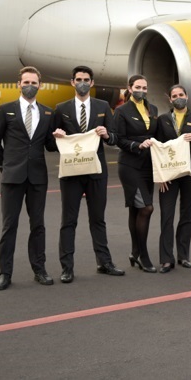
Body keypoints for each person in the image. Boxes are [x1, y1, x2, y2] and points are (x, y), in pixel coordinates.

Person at [51, 66, 125, 283]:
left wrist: (106, 134)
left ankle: (105, 262)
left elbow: (115, 138)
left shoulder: (103, 107)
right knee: (69, 220)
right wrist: (57, 136)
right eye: (78, 79)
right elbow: (51, 143)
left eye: (86, 79)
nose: (82, 82)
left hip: (96, 171)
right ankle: (67, 267)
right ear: (72, 82)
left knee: (98, 219)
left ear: (92, 83)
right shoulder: (61, 108)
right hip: (71, 172)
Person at [0, 66, 58, 290]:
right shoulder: (5, 110)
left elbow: (49, 145)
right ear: (19, 84)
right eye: (26, 82)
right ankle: (4, 273)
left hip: (37, 178)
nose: (30, 86)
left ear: (40, 85)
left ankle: (40, 269)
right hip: (12, 177)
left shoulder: (47, 113)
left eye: (34, 83)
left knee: (38, 225)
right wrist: (5, 166)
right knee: (10, 226)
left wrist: (59, 138)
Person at [154, 84, 191, 273]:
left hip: (190, 173)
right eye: (174, 95)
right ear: (170, 99)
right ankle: (166, 259)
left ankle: (184, 256)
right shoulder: (162, 120)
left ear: (187, 96)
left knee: (187, 214)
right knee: (166, 216)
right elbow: (157, 149)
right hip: (168, 173)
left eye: (181, 94)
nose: (178, 98)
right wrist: (160, 176)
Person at [114, 75, 158, 273]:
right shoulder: (122, 110)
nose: (142, 90)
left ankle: (134, 252)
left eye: (144, 87)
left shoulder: (153, 109)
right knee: (146, 208)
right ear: (130, 88)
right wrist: (137, 145)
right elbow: (119, 139)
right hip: (130, 165)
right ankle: (143, 255)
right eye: (138, 87)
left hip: (149, 166)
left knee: (136, 209)